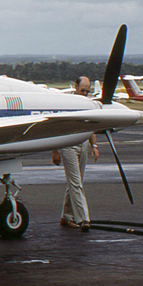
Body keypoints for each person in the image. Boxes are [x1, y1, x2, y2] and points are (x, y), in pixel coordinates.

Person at [52, 76, 99, 232]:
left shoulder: (89, 104)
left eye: (87, 91)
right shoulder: (66, 103)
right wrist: (55, 151)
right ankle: (83, 219)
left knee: (76, 182)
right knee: (75, 182)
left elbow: (92, 126)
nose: (84, 93)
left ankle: (66, 216)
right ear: (75, 87)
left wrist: (94, 145)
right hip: (68, 145)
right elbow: (56, 128)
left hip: (83, 143)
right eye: (82, 90)